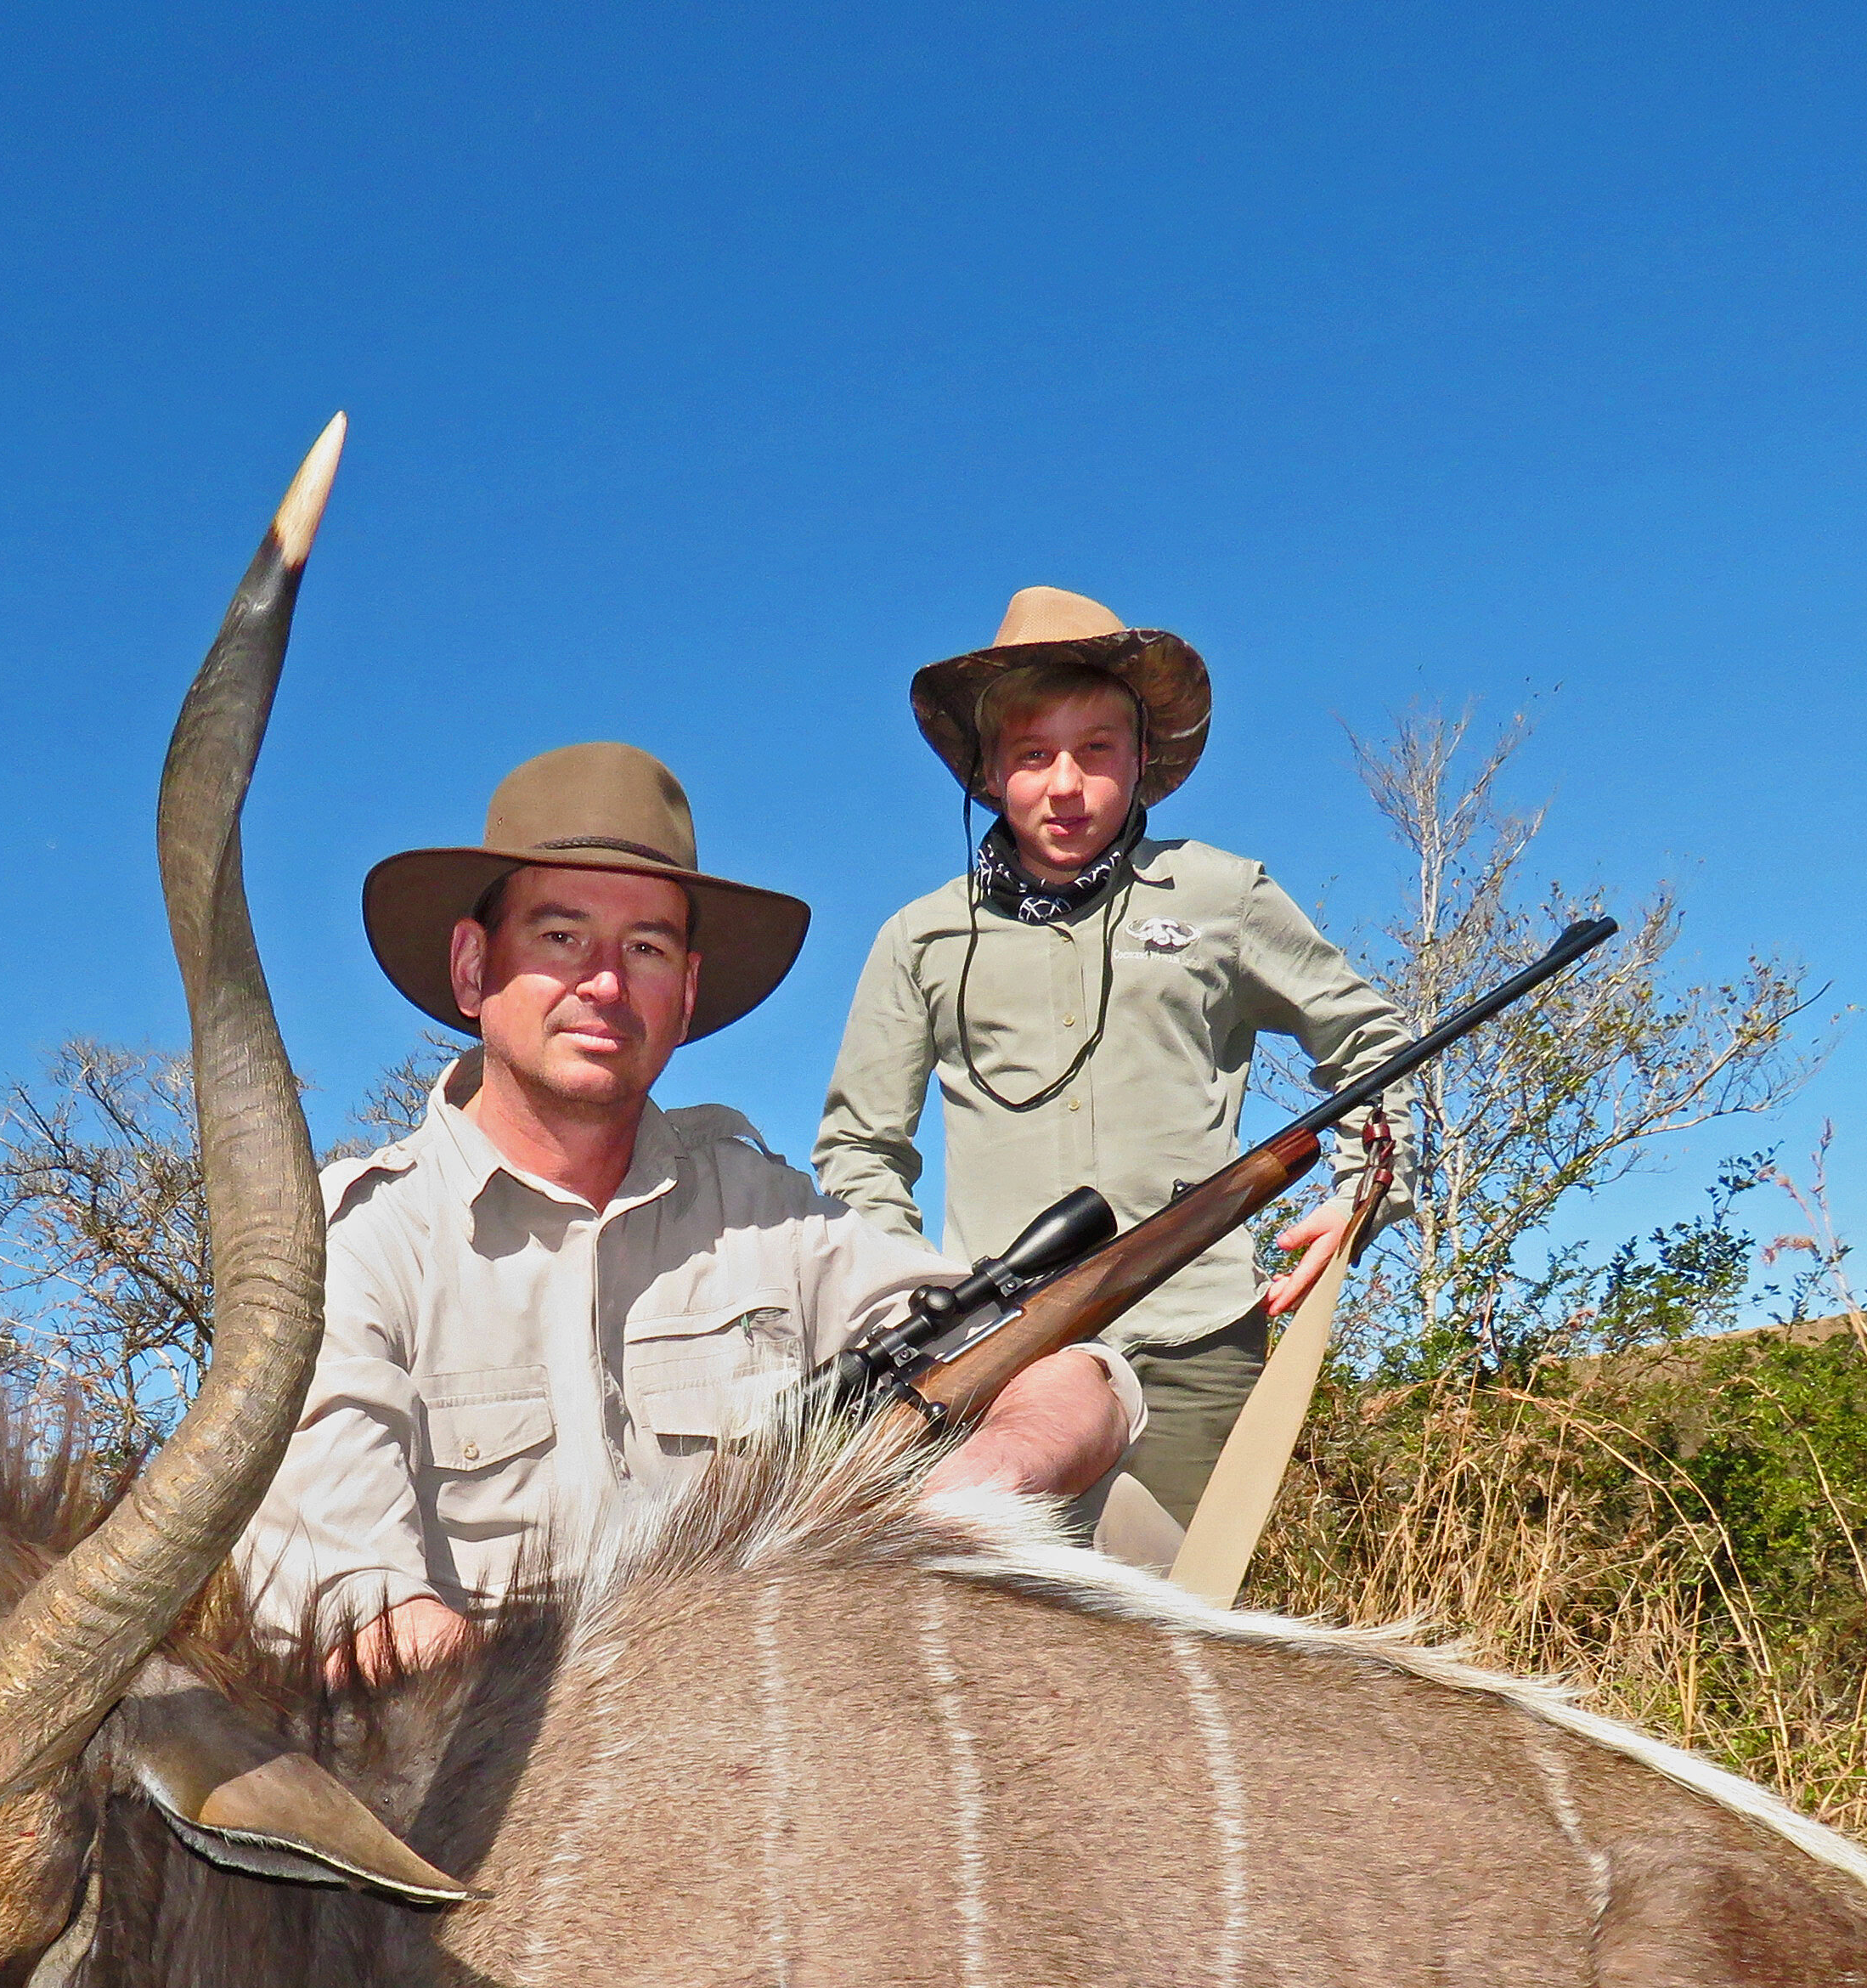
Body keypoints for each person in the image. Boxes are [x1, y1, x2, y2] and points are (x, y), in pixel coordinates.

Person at [239, 742, 1137, 1672]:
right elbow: (356, 1621)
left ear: (687, 992)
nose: (605, 983)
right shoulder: (351, 1240)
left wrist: (972, 1488)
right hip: (485, 1770)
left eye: (648, 948)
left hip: (782, 1732)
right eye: (560, 936)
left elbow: (1074, 1374)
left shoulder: (768, 1213)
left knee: (1120, 1528)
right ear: (474, 969)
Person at [815, 588, 1408, 1528]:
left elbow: (1369, 1040)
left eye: (1096, 751)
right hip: (1003, 1349)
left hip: (1201, 1338)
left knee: (1185, 1622)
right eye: (1033, 755)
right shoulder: (917, 938)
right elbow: (860, 1150)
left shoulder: (1225, 894)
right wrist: (912, 1308)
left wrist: (1365, 1191)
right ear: (989, 772)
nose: (1066, 784)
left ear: (1139, 762)